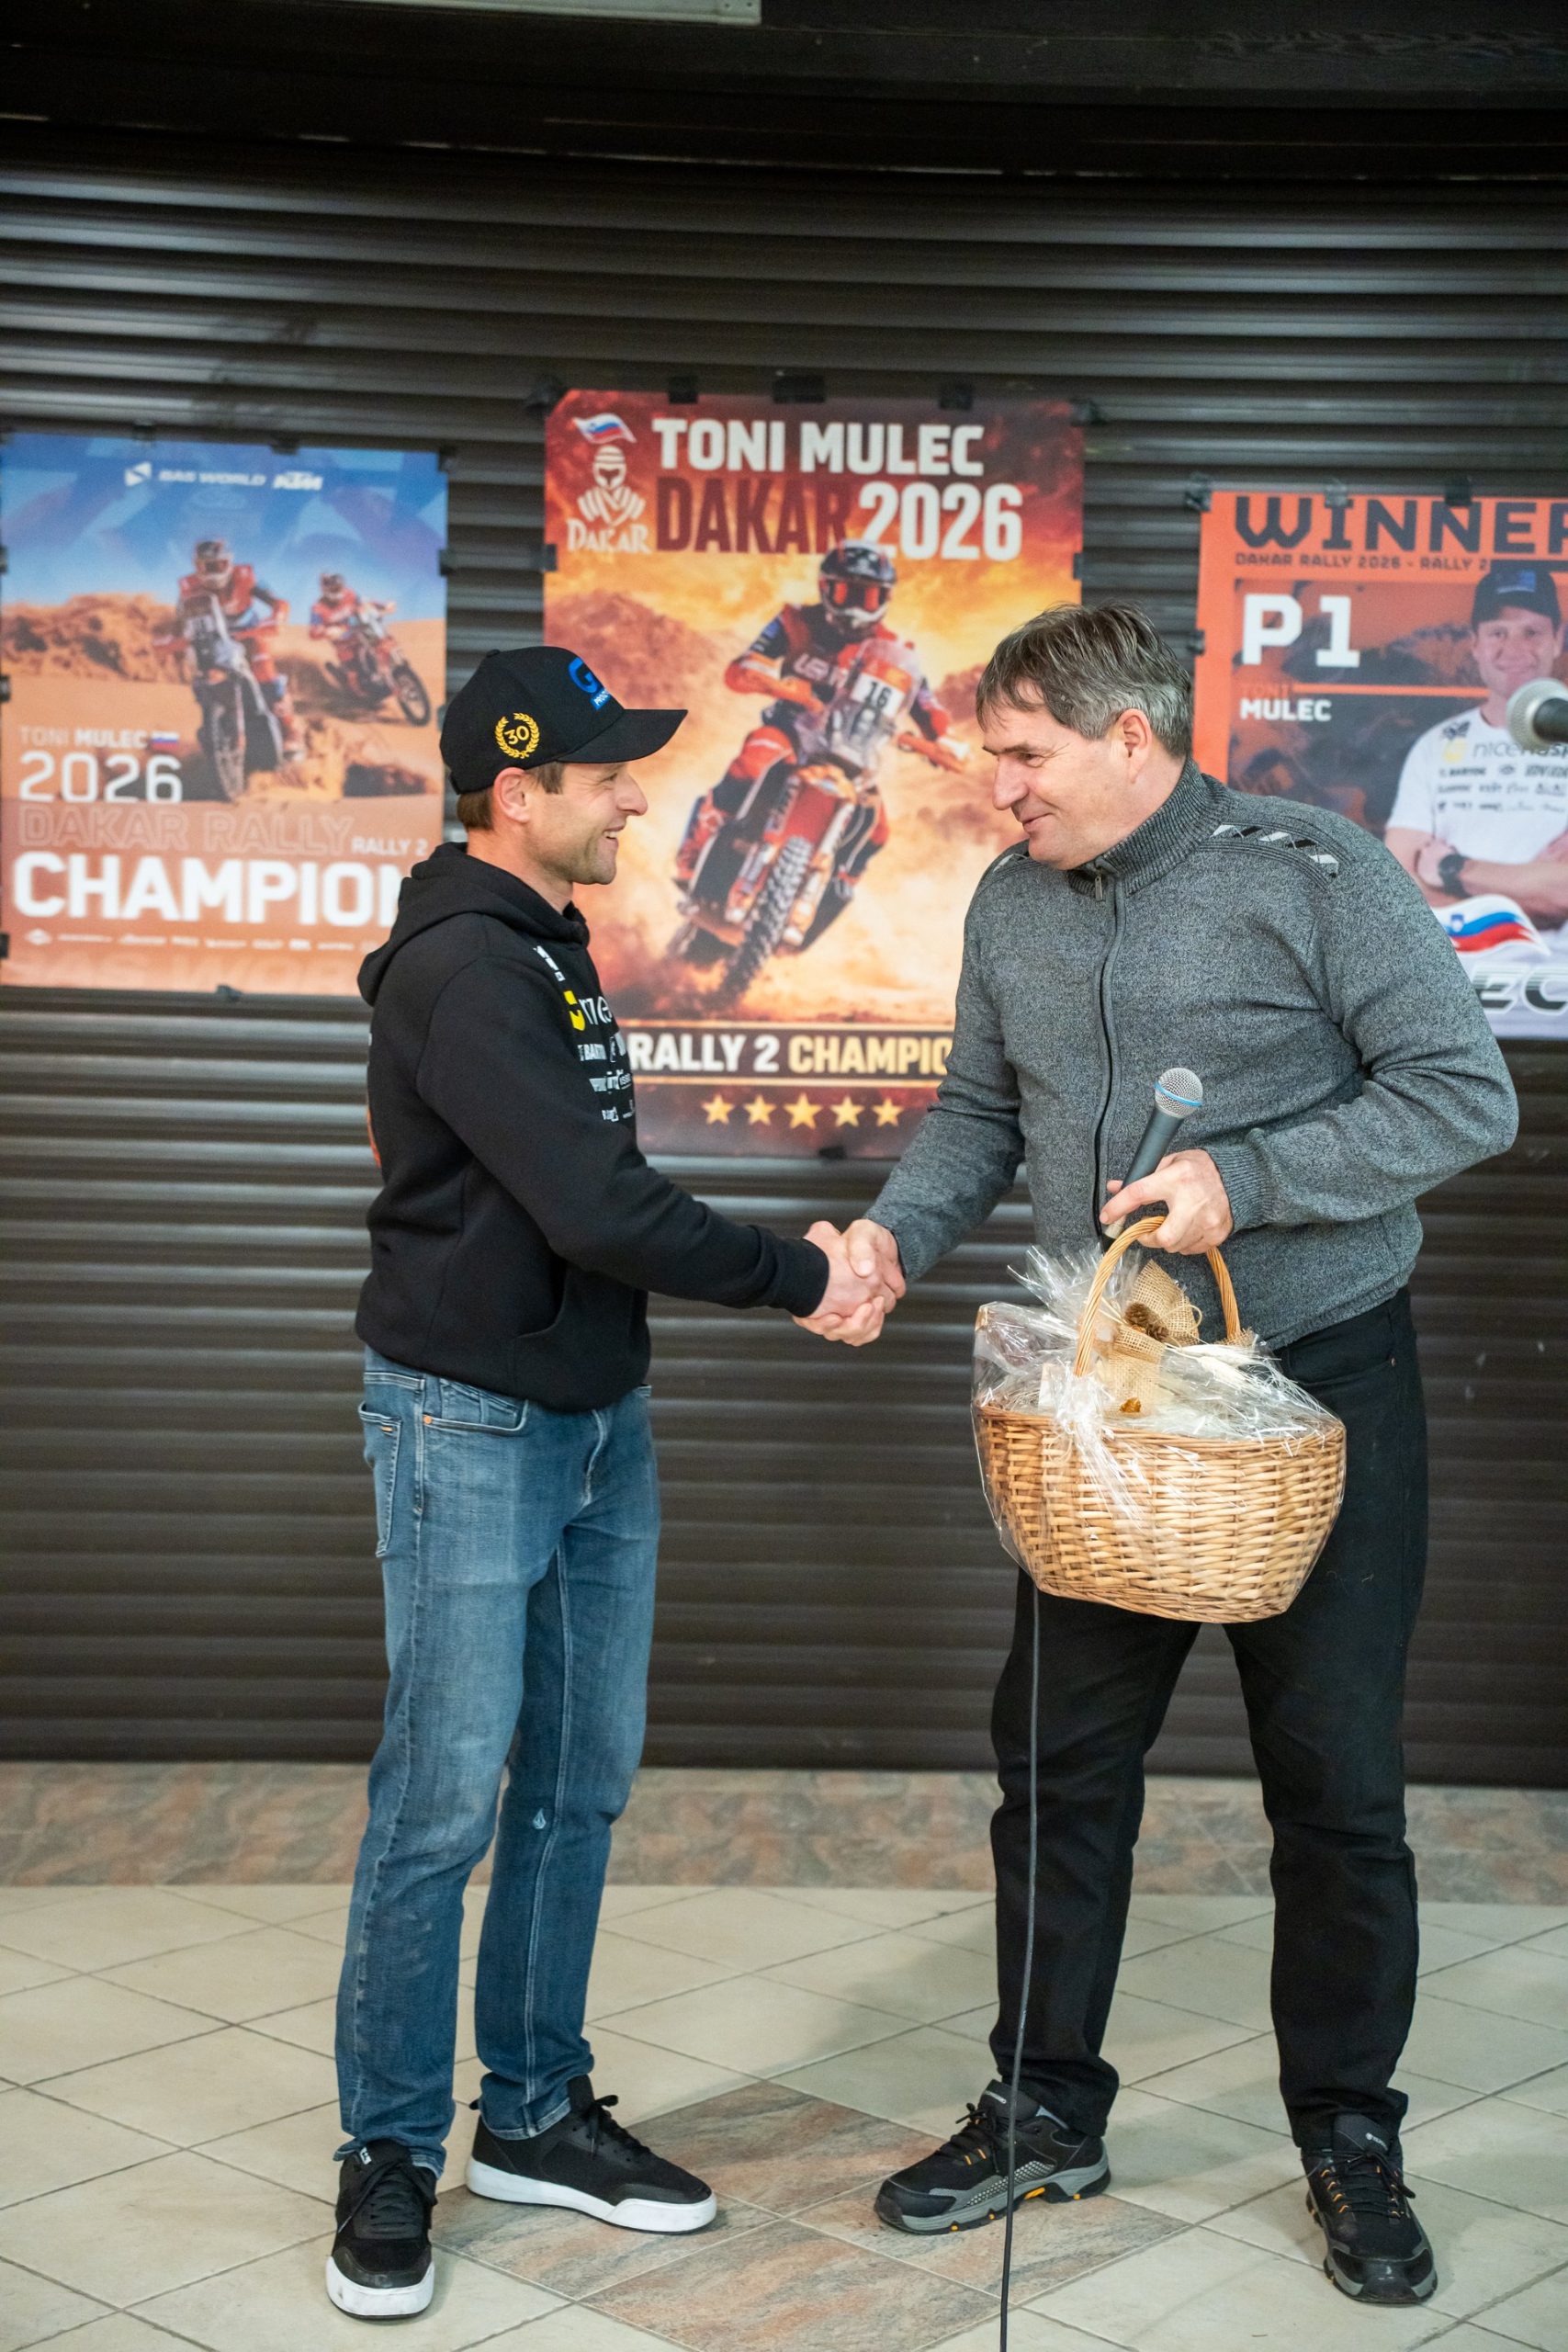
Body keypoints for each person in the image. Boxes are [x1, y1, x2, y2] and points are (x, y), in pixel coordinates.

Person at [812, 604, 1517, 2307]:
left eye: (1026, 755)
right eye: (991, 754)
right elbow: (978, 1113)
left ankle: (1347, 2135)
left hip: (1315, 1383)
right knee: (1055, 1764)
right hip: (1110, 1399)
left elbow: (1460, 1091)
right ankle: (1043, 2105)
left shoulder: (1315, 872)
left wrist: (1242, 1181)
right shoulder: (1010, 901)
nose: (1000, 786)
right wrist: (897, 1238)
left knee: (1333, 1787)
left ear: (1129, 737)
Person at [328, 643, 887, 2320]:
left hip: (588, 1417)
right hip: (469, 1426)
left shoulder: (541, 947)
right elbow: (593, 1205)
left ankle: (533, 2111)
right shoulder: (466, 966)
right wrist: (804, 1276)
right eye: (606, 774)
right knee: (439, 1805)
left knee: (577, 1784)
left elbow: (582, 1194)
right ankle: (387, 2152)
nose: (637, 797)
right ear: (520, 793)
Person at [673, 540, 960, 949]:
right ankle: (696, 850)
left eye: (868, 596)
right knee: (751, 764)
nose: (857, 606)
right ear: (826, 587)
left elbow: (927, 705)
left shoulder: (895, 653)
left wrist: (943, 739)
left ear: (885, 598)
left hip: (851, 756)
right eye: (847, 592)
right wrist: (776, 684)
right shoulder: (795, 623)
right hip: (791, 734)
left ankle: (828, 898)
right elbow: (746, 666)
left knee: (877, 831)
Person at [1385, 561, 1568, 934]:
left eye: (1531, 632)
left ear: (1558, 639)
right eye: (1498, 632)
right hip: (1453, 967)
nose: (1513, 648)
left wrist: (1452, 870)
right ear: (1475, 644)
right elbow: (1397, 887)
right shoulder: (1436, 746)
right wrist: (1531, 891)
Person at [172, 537, 303, 757]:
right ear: (197, 566)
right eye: (207, 566)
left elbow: (278, 602)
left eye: (219, 565)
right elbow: (179, 623)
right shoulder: (188, 587)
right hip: (214, 641)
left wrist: (278, 617)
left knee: (266, 676)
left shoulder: (246, 576)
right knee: (203, 679)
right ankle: (214, 729)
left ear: (229, 563)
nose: (214, 572)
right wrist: (175, 640)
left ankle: (291, 731)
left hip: (249, 634)